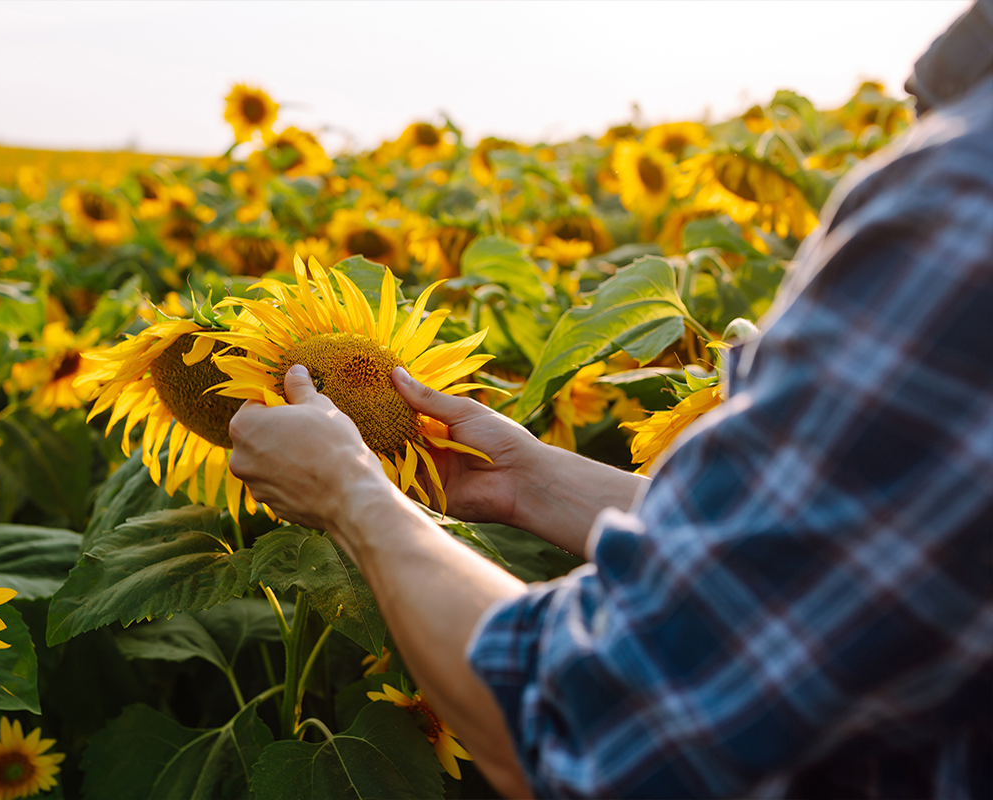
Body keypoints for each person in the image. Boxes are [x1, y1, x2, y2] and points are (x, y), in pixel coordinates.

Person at [228, 2, 993, 796]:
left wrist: (355, 497)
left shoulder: (965, 202)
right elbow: (849, 553)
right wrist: (533, 482)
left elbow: (601, 732)